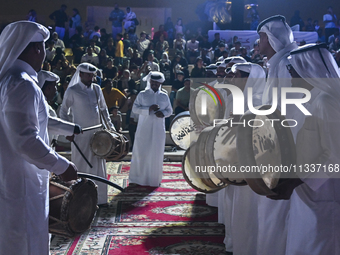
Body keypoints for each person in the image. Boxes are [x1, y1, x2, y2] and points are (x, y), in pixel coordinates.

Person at [0, 20, 78, 254]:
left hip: (16, 176)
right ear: (36, 49)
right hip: (22, 180)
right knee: (24, 237)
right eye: (44, 47)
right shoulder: (22, 84)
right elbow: (25, 140)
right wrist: (61, 164)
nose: (45, 53)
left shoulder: (12, 80)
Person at [269, 43, 340, 255]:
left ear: (308, 71)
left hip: (325, 192)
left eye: (293, 73)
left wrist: (295, 181)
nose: (290, 80)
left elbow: (335, 157)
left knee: (319, 244)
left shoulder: (326, 102)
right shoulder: (313, 99)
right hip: (308, 189)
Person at [256, 15, 298, 255]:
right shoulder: (276, 65)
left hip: (281, 148)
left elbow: (285, 111)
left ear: (271, 38)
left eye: (261, 37)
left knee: (275, 209)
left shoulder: (284, 66)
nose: (259, 43)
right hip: (269, 143)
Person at [60, 63, 115, 205]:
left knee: (98, 166)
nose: (91, 78)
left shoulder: (97, 89)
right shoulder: (72, 90)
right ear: (81, 75)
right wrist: (68, 130)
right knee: (83, 165)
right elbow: (63, 111)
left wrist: (111, 129)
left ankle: (100, 199)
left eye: (92, 75)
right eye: (88, 75)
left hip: (98, 135)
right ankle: (82, 200)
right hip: (81, 136)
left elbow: (104, 110)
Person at [129, 72, 172, 187]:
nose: (154, 84)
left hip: (158, 129)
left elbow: (170, 110)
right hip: (144, 129)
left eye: (157, 83)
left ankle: (154, 180)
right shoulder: (142, 94)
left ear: (160, 83)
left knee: (156, 153)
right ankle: (138, 179)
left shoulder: (164, 95)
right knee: (142, 152)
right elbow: (135, 109)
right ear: (149, 82)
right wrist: (148, 109)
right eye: (153, 82)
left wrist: (163, 113)